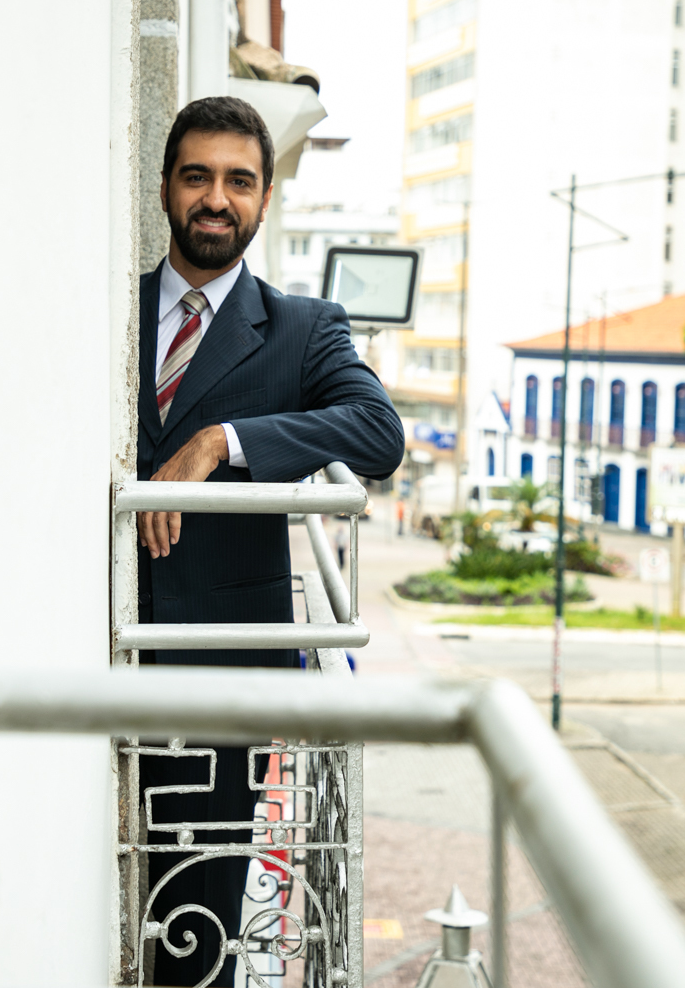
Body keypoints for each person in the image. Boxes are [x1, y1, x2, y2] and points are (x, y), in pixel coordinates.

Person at [137, 96, 404, 987]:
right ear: (166, 187)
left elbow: (377, 433)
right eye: (198, 176)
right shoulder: (109, 308)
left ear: (265, 195)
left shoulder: (303, 328)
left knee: (196, 923)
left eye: (239, 181)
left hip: (226, 674)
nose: (217, 198)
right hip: (86, 650)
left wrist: (223, 442)